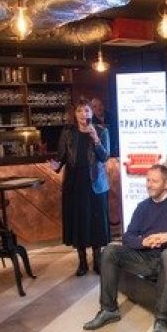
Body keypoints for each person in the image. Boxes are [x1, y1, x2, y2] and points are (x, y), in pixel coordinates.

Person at [82, 164, 167, 332]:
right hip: (148, 257)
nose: (149, 184)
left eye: (154, 181)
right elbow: (128, 237)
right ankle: (109, 310)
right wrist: (143, 242)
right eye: (148, 180)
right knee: (110, 251)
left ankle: (162, 319)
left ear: (166, 184)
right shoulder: (143, 207)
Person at [51, 97, 111, 276]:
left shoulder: (102, 130)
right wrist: (55, 165)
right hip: (74, 182)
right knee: (78, 222)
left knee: (96, 223)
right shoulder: (68, 132)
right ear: (75, 114)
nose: (83, 114)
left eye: (86, 110)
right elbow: (61, 156)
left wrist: (95, 139)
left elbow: (104, 157)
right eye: (79, 111)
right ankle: (82, 261)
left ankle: (97, 260)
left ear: (91, 113)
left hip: (96, 183)